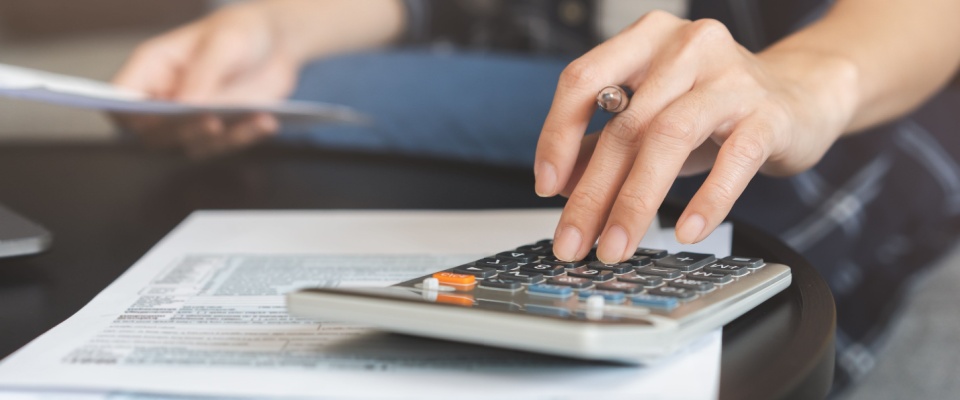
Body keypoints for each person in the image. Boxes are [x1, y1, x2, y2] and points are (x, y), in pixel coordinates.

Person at [114, 0, 960, 393]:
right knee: (278, 96)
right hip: (578, 37)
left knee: (732, 206)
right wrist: (273, 25)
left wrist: (807, 82)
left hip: (862, 53)